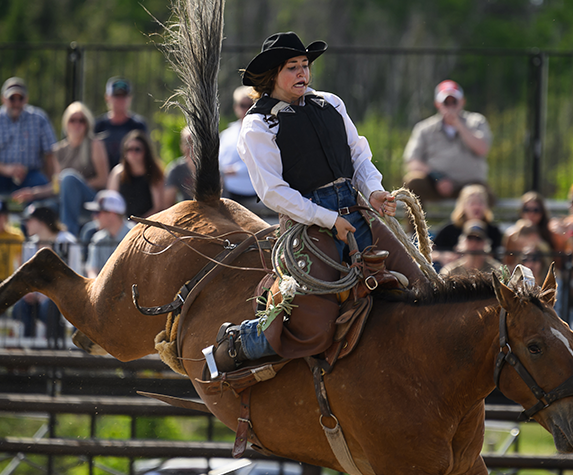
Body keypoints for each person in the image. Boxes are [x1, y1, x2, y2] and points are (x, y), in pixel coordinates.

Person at [211, 31, 399, 372]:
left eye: (304, 65)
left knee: (415, 280)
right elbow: (273, 192)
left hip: (356, 209)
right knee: (313, 325)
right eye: (292, 67)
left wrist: (373, 190)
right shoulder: (258, 124)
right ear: (272, 76)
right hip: (308, 224)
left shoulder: (330, 103)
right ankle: (237, 345)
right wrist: (327, 220)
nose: (302, 73)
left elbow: (358, 155)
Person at [12, 101, 110, 237]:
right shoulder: (58, 150)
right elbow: (57, 187)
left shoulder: (95, 144)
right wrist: (33, 193)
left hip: (92, 202)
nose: (77, 124)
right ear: (66, 124)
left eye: (81, 120)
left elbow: (103, 180)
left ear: (87, 123)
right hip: (66, 200)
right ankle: (32, 247)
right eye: (73, 120)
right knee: (39, 209)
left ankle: (68, 241)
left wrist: (74, 186)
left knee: (69, 178)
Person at [0, 77, 58, 219]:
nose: (16, 103)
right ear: (3, 99)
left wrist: (50, 181)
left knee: (40, 182)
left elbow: (51, 153)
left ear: (26, 99)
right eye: (12, 99)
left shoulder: (39, 119)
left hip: (29, 175)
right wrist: (7, 169)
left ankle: (33, 234)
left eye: (20, 98)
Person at [402, 79, 492, 203]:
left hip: (470, 186)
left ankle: (475, 223)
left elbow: (482, 149)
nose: (450, 107)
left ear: (462, 102)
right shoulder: (424, 128)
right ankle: (416, 222)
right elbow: (412, 162)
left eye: (454, 102)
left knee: (485, 194)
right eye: (446, 102)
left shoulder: (476, 122)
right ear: (437, 104)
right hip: (436, 186)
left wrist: (458, 124)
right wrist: (437, 178)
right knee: (413, 182)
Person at [11, 204, 81, 343]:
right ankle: (28, 352)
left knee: (49, 306)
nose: (26, 224)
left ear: (41, 222)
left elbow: (74, 274)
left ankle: (53, 355)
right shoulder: (30, 245)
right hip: (38, 297)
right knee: (22, 306)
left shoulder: (67, 242)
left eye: (29, 220)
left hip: (62, 297)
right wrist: (29, 291)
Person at [430, 184, 502, 268]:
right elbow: (429, 253)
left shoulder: (493, 230)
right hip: (454, 272)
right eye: (472, 203)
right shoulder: (449, 230)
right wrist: (442, 256)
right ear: (463, 205)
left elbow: (497, 257)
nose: (476, 207)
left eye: (480, 203)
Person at [218, 86, 262, 212]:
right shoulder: (227, 134)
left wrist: (233, 171)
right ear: (236, 107)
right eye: (243, 105)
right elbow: (219, 159)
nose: (246, 109)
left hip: (253, 192)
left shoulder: (262, 132)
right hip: (228, 191)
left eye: (250, 105)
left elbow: (260, 160)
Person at [107, 129, 165, 219]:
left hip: (149, 222)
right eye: (129, 149)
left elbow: (158, 207)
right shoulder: (118, 173)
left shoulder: (154, 172)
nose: (132, 153)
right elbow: (111, 203)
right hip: (122, 224)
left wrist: (139, 222)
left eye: (137, 149)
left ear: (145, 151)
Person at [93, 77, 148, 166]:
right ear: (107, 98)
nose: (120, 100)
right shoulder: (97, 126)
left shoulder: (138, 126)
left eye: (124, 96)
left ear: (130, 98)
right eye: (116, 96)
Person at [83, 190, 130, 278]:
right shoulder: (97, 238)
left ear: (112, 214)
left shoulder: (134, 235)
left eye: (98, 212)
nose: (94, 216)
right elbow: (92, 270)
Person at [163, 126, 196, 206]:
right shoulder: (175, 170)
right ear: (181, 146)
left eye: (194, 142)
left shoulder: (213, 169)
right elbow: (168, 203)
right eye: (187, 143)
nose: (191, 147)